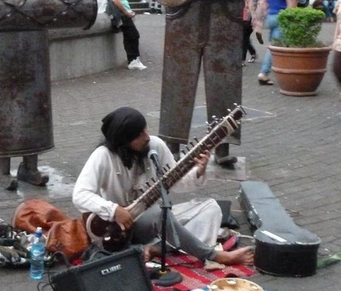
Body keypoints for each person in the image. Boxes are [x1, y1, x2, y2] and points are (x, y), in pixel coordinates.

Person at [73, 107, 254, 266]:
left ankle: (154, 248)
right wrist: (114, 211)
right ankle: (214, 255)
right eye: (139, 134)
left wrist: (199, 171)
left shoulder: (155, 146)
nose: (146, 136)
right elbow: (80, 195)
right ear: (124, 140)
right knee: (162, 215)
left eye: (145, 129)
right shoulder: (103, 156)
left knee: (211, 208)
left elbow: (177, 183)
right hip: (117, 231)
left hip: (152, 223)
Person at [255, 0, 297, 85]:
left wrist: (258, 23)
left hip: (270, 19)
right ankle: (263, 73)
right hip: (281, 19)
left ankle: (283, 70)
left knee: (275, 45)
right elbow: (291, 8)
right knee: (274, 48)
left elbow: (261, 4)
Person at [108, 0, 145, 70]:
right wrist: (125, 12)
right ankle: (132, 59)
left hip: (124, 12)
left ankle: (134, 59)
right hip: (122, 13)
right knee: (133, 35)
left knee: (131, 35)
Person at [241, 0, 257, 64]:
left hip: (243, 15)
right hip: (229, 15)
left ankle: (242, 59)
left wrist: (253, 16)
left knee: (243, 38)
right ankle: (252, 52)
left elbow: (249, 0)